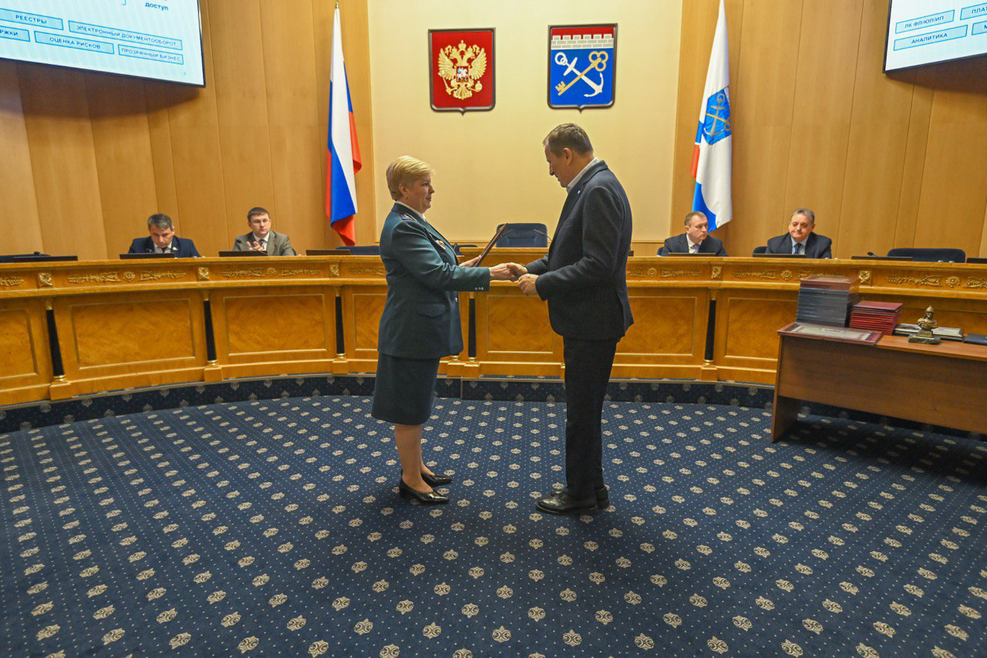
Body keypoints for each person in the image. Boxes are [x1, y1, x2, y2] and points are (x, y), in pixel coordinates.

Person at [372, 156, 517, 505]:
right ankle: (410, 479)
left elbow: (436, 267)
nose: (432, 190)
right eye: (424, 184)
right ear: (403, 189)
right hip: (410, 332)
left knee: (418, 402)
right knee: (410, 407)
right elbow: (436, 276)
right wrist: (490, 274)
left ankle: (417, 466)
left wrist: (465, 266)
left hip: (420, 330)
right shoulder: (403, 226)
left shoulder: (414, 220)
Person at [511, 124, 633, 515]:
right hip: (588, 320)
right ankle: (592, 487)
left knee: (581, 413)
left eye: (551, 161)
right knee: (585, 411)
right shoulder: (590, 186)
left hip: (592, 321)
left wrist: (543, 284)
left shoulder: (597, 190)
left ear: (568, 154)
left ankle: (579, 494)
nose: (550, 171)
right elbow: (566, 254)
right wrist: (528, 269)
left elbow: (597, 264)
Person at [764, 208, 832, 258]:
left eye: (804, 225)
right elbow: (766, 269)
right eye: (794, 224)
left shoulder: (822, 244)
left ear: (812, 227)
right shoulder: (774, 244)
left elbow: (825, 270)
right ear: (789, 225)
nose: (798, 228)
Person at [128, 214, 201, 257]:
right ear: (150, 231)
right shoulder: (137, 246)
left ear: (173, 231)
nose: (161, 240)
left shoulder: (186, 245)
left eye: (165, 235)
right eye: (156, 235)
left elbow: (199, 268)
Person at [659, 211, 728, 256]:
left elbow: (725, 268)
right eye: (699, 226)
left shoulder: (716, 244)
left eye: (706, 225)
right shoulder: (672, 244)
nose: (704, 230)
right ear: (687, 229)